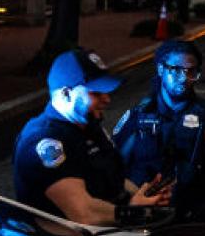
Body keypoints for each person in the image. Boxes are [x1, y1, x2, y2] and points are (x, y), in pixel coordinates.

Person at [12, 48, 169, 226]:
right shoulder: (44, 140)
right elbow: (83, 213)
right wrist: (133, 212)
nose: (107, 99)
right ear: (66, 94)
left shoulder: (86, 124)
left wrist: (146, 195)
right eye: (96, 92)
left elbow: (112, 179)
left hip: (111, 231)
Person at [111, 40, 205, 235]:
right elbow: (111, 173)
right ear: (161, 69)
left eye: (191, 72)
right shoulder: (137, 117)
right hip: (146, 231)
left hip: (199, 232)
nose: (184, 77)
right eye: (176, 70)